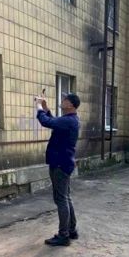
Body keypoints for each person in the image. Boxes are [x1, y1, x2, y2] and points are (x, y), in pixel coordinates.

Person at [36, 92, 81, 246]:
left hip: (60, 164)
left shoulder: (68, 120)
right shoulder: (71, 120)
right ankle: (71, 230)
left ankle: (63, 235)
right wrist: (45, 108)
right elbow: (54, 121)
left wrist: (39, 107)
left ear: (70, 104)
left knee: (61, 199)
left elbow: (46, 122)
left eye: (64, 99)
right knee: (66, 197)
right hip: (65, 162)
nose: (62, 101)